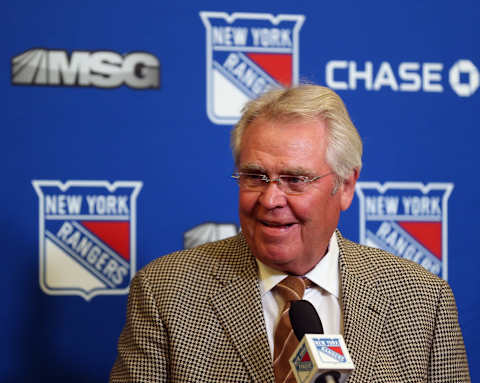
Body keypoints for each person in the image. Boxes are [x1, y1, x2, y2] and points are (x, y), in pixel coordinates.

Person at [110, 85, 470, 382]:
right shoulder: (166, 292)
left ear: (345, 186)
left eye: (296, 180)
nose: (270, 199)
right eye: (255, 176)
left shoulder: (422, 299)